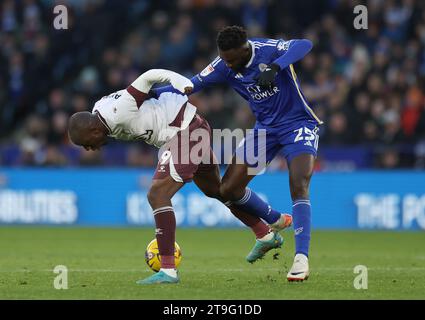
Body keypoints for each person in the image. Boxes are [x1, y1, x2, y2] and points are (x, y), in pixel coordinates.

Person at [68, 69, 291, 284]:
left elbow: (149, 76)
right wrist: (167, 97)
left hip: (186, 132)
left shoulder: (117, 110)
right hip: (190, 129)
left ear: (93, 131)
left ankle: (168, 270)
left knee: (157, 194)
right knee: (218, 190)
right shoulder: (102, 115)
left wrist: (180, 83)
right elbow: (150, 95)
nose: (90, 149)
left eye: (87, 144)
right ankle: (266, 232)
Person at [153, 26, 322, 281]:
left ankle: (301, 258)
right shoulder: (223, 64)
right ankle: (274, 220)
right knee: (228, 189)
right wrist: (147, 94)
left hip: (297, 124)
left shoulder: (267, 50)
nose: (228, 65)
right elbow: (192, 85)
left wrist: (276, 67)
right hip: (264, 131)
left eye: (232, 59)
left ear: (245, 49)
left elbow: (304, 44)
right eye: (224, 58)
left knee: (299, 183)